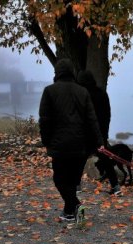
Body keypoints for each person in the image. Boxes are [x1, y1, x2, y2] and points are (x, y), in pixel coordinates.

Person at [39, 59, 104, 221]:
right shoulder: (83, 92)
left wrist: (46, 141)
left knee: (60, 179)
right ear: (72, 73)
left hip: (60, 144)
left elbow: (44, 120)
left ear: (57, 73)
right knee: (72, 180)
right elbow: (92, 119)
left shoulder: (49, 91)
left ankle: (75, 206)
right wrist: (99, 142)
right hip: (81, 145)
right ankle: (69, 213)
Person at [77, 70, 121, 196]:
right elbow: (107, 115)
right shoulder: (102, 94)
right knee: (105, 159)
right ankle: (115, 186)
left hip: (86, 133)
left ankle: (76, 185)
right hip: (100, 133)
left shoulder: (83, 94)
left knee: (80, 159)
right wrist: (104, 134)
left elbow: (82, 116)